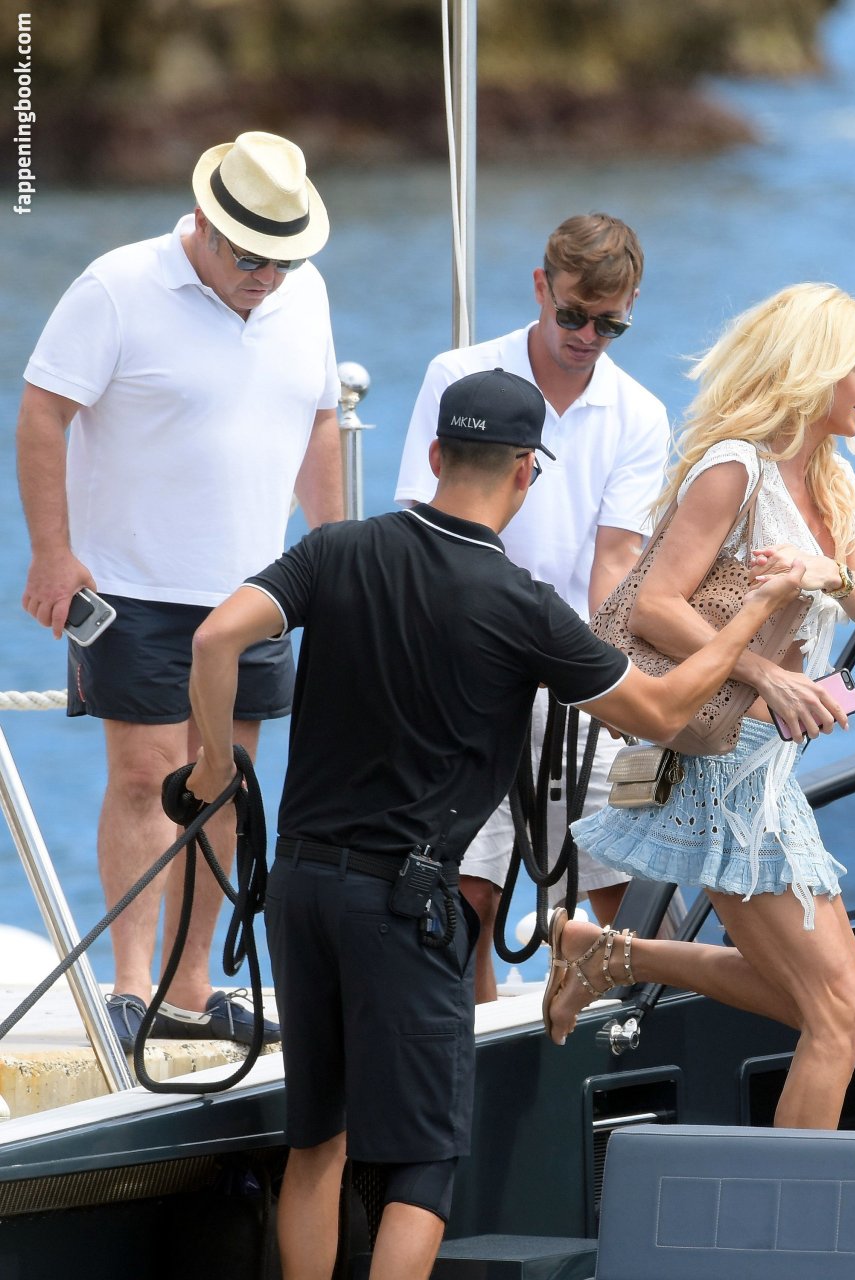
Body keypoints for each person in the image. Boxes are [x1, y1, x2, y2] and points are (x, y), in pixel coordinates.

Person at [183, 368, 806, 1280]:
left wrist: (213, 766)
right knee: (425, 1163)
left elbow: (214, 639)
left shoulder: (335, 550)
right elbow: (666, 710)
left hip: (302, 887)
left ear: (437, 454)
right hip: (401, 905)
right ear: (525, 472)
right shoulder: (522, 606)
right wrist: (752, 610)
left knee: (318, 1140)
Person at [15, 131, 344, 1050]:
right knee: (143, 777)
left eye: (282, 260)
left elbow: (321, 423)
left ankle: (189, 990)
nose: (266, 278)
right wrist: (52, 553)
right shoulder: (117, 285)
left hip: (256, 591)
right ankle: (129, 988)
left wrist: (337, 558)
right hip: (131, 588)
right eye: (250, 258)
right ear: (204, 220)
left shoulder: (305, 294)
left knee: (225, 784)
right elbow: (41, 413)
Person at [547, 283, 855, 1132]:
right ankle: (786, 1208)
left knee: (815, 1002)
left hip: (772, 768)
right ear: (813, 368)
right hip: (720, 758)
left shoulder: (836, 479)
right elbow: (653, 607)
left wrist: (821, 572)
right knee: (839, 1013)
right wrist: (764, 674)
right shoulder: (734, 468)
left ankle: (610, 955)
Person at [394, 213, 671, 1001]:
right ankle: (467, 1035)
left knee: (624, 880)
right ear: (541, 287)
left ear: (632, 307)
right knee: (467, 891)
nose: (588, 336)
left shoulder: (640, 413)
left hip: (573, 662)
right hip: (462, 662)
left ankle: (629, 1027)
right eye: (574, 314)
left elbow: (616, 563)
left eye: (611, 324)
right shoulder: (459, 374)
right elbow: (425, 527)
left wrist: (620, 681)